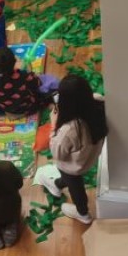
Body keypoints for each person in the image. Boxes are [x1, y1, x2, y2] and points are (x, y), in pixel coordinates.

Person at [38, 74, 107, 224]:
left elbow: (58, 153)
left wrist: (53, 124)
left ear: (66, 101)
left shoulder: (70, 129)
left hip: (74, 166)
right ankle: (57, 185)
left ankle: (83, 213)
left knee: (75, 185)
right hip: (89, 157)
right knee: (69, 180)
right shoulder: (99, 103)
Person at [0, 47, 46, 116]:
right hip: (27, 107)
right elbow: (38, 83)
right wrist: (29, 69)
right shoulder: (24, 76)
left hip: (8, 109)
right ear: (15, 61)